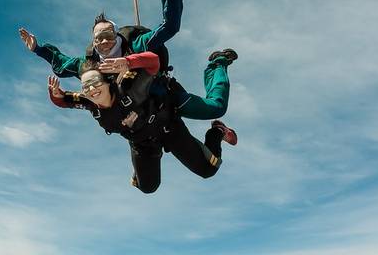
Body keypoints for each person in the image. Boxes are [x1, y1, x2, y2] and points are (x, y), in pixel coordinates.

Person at [19, 0, 238, 120]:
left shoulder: (138, 44)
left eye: (108, 36)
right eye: (98, 39)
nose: (104, 42)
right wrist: (38, 48)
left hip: (163, 96)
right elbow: (62, 63)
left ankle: (216, 64)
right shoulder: (90, 64)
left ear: (116, 35)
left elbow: (169, 27)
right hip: (134, 114)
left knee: (215, 109)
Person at [48, 52, 237, 194]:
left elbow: (154, 61)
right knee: (148, 187)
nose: (91, 90)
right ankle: (141, 168)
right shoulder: (89, 102)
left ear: (108, 82)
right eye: (86, 87)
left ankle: (217, 131)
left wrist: (128, 62)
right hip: (143, 143)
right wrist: (56, 95)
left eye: (96, 83)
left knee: (208, 170)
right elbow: (64, 100)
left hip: (168, 127)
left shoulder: (129, 87)